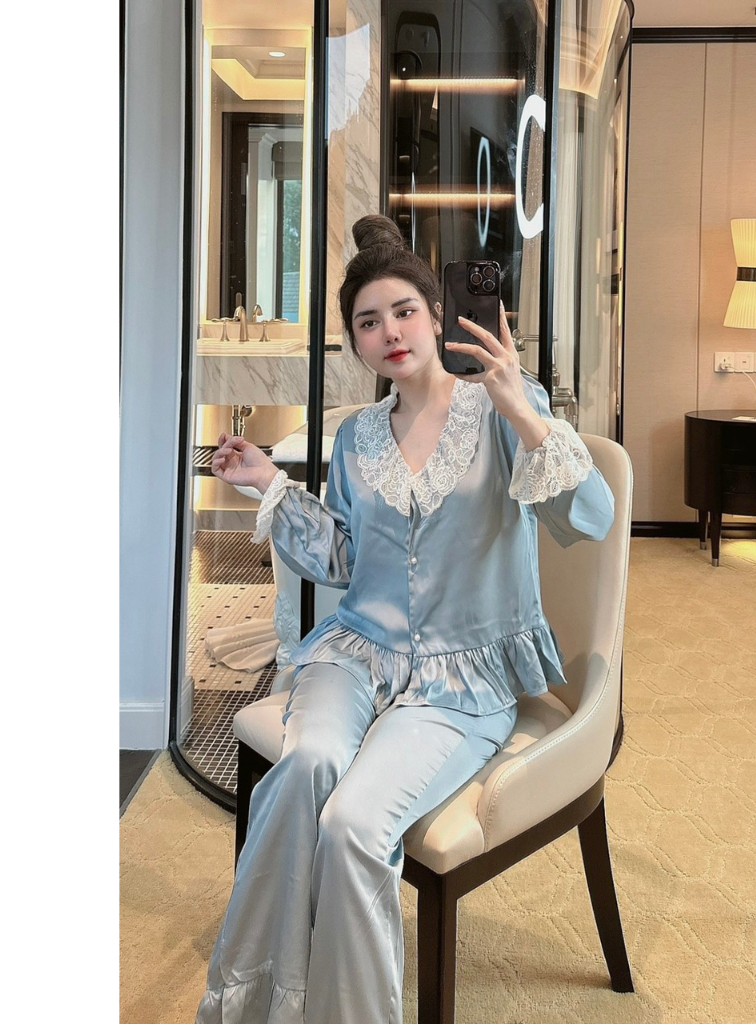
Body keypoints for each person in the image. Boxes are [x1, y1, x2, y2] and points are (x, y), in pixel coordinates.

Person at [195, 215, 615, 1024]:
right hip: (356, 655)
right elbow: (347, 557)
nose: (388, 332)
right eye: (367, 322)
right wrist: (268, 484)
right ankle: (257, 1005)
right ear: (354, 343)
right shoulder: (356, 437)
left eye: (403, 311)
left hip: (463, 680)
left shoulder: (504, 406)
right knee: (306, 766)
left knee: (355, 825)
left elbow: (591, 517)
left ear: (437, 313)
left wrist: (523, 412)